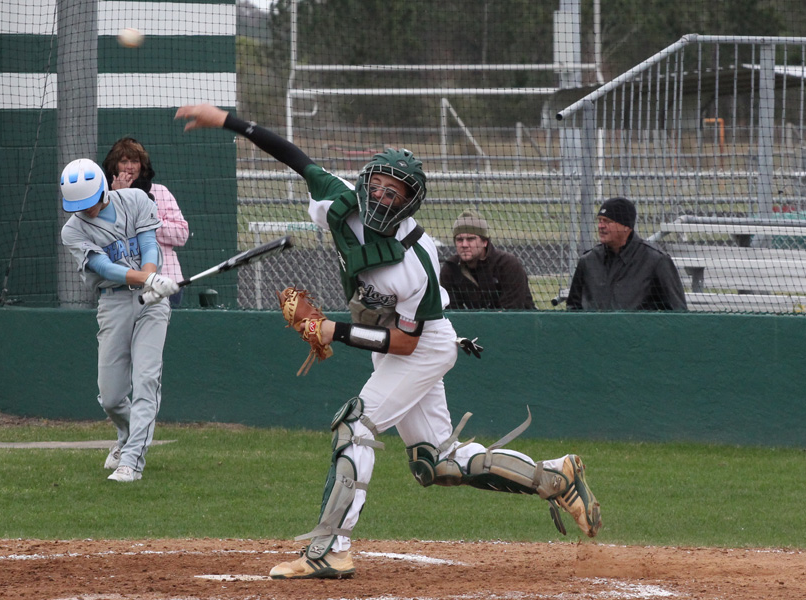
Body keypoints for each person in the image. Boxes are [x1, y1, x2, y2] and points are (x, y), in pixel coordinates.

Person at [175, 103, 602, 579]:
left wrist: (332, 330)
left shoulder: (417, 259)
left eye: (393, 191)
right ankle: (554, 476)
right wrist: (228, 121)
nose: (381, 196)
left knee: (354, 426)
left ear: (408, 202)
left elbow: (403, 344)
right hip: (397, 343)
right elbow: (293, 156)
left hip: (423, 345)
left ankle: (330, 548)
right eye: (376, 185)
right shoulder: (339, 204)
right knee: (435, 463)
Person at [59, 158, 180, 482]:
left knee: (145, 381)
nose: (87, 211)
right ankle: (127, 438)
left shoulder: (137, 200)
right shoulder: (72, 230)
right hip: (113, 302)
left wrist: (152, 280)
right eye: (79, 206)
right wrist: (147, 280)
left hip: (152, 305)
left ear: (103, 190)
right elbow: (103, 267)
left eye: (90, 203)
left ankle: (132, 461)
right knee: (110, 396)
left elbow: (149, 244)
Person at [103, 137, 190, 308]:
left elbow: (181, 234)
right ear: (115, 166)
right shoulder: (106, 197)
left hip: (166, 282)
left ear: (142, 165)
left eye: (135, 161)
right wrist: (122, 198)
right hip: (124, 288)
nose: (130, 166)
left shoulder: (160, 192)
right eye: (124, 161)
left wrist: (149, 220)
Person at [566, 197, 687, 311]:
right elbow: (573, 308)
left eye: (607, 221)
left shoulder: (656, 261)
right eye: (599, 220)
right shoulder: (588, 261)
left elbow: (677, 312)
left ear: (626, 227)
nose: (601, 226)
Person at [440, 209, 536, 310]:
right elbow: (453, 313)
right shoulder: (451, 269)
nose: (464, 245)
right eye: (459, 239)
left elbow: (512, 311)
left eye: (471, 239)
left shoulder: (507, 265)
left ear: (485, 242)